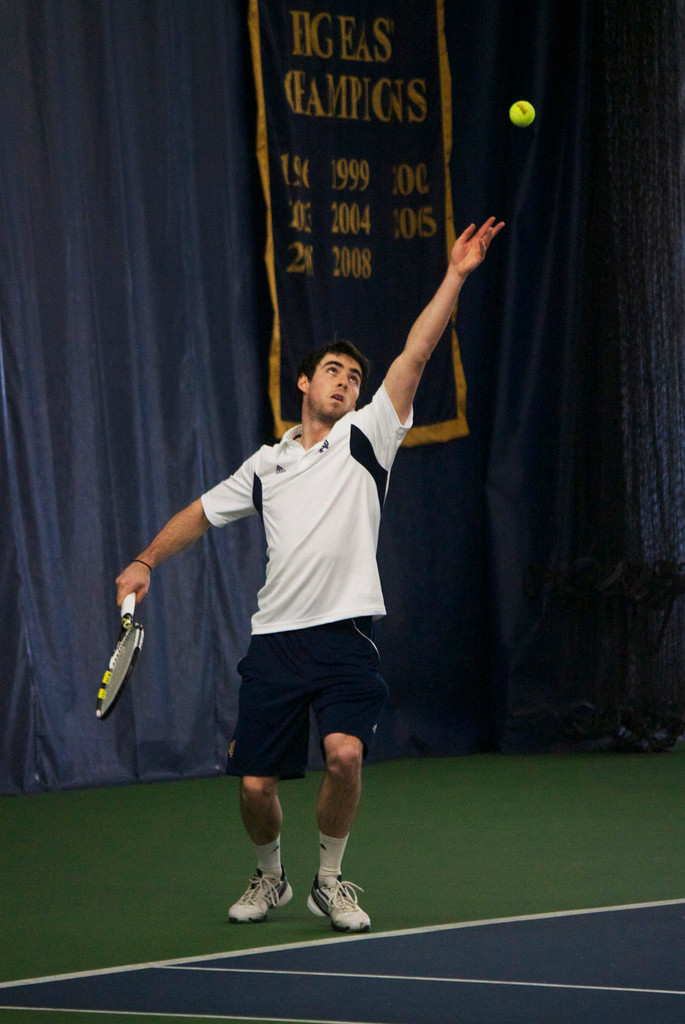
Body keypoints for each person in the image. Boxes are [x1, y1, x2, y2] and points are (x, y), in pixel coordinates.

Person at [115, 217, 504, 934]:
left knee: (345, 754)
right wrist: (144, 560)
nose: (346, 382)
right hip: (275, 641)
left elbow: (416, 355)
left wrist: (455, 275)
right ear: (303, 382)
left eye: (354, 377)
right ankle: (272, 878)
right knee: (257, 782)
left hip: (345, 634)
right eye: (333, 371)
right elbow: (198, 515)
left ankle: (330, 879)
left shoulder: (367, 439)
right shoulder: (265, 464)